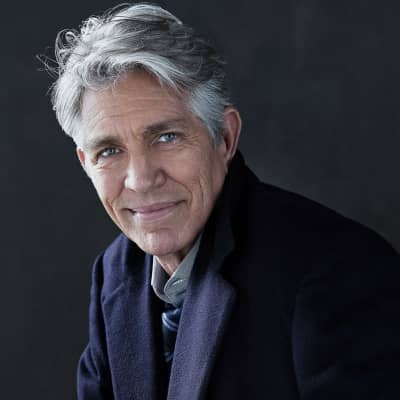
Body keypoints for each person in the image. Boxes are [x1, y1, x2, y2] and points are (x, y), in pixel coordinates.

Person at [48, 3, 400, 399]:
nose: (141, 180)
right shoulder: (114, 273)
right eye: (109, 151)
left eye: (166, 137)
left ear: (225, 138)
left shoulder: (337, 271)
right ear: (86, 163)